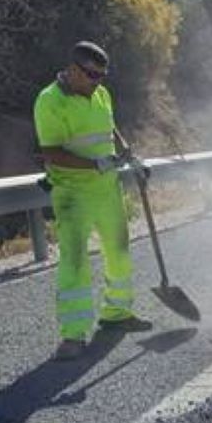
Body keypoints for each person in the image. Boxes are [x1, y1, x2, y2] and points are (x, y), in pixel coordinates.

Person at [34, 42, 147, 360]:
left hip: (107, 190)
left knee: (120, 252)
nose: (97, 80)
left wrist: (128, 154)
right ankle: (72, 337)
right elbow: (52, 152)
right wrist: (95, 164)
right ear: (73, 69)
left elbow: (109, 127)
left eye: (102, 75)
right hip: (72, 193)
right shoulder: (49, 101)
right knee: (75, 262)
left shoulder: (101, 93)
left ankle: (117, 314)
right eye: (91, 74)